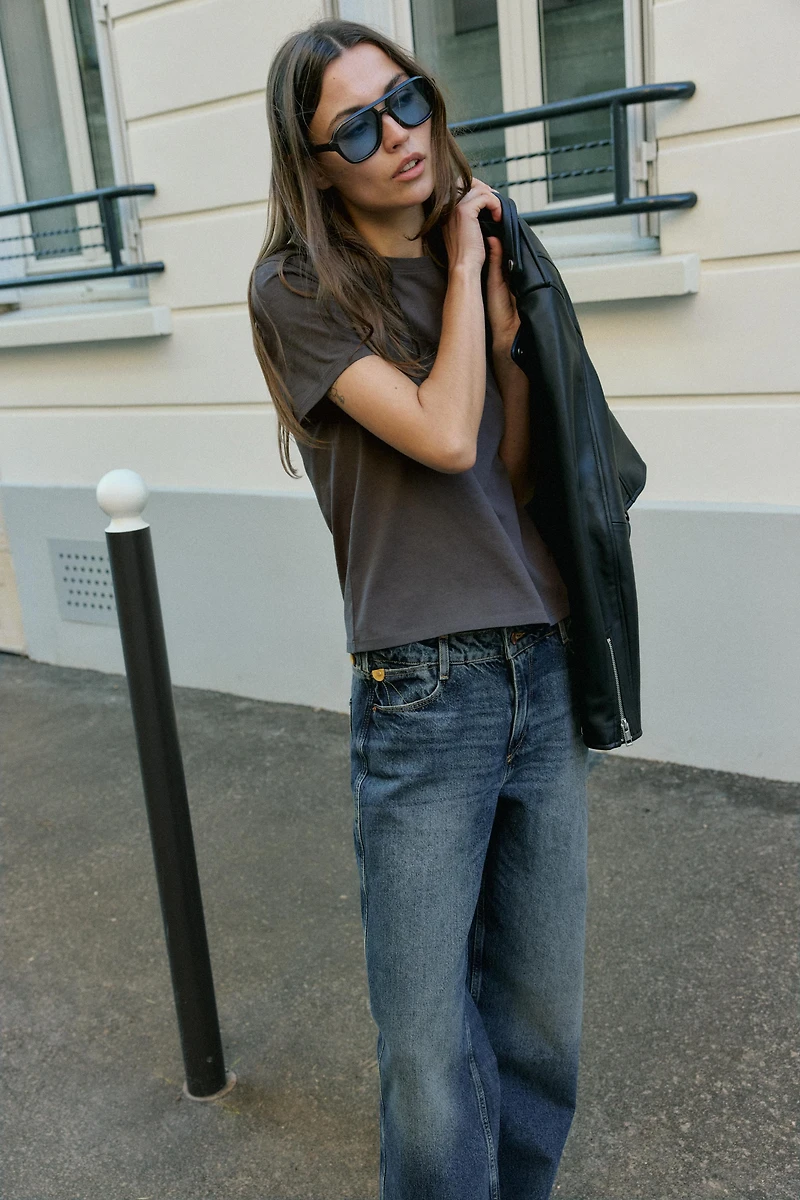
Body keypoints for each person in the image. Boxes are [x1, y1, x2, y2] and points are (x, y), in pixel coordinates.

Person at [248, 18, 589, 1200]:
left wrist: (501, 340)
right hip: (422, 690)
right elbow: (440, 439)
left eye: (405, 101)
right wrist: (460, 282)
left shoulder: (484, 252)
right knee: (428, 1054)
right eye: (354, 127)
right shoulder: (297, 288)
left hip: (537, 662)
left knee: (540, 1026)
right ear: (313, 163)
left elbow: (508, 478)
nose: (397, 134)